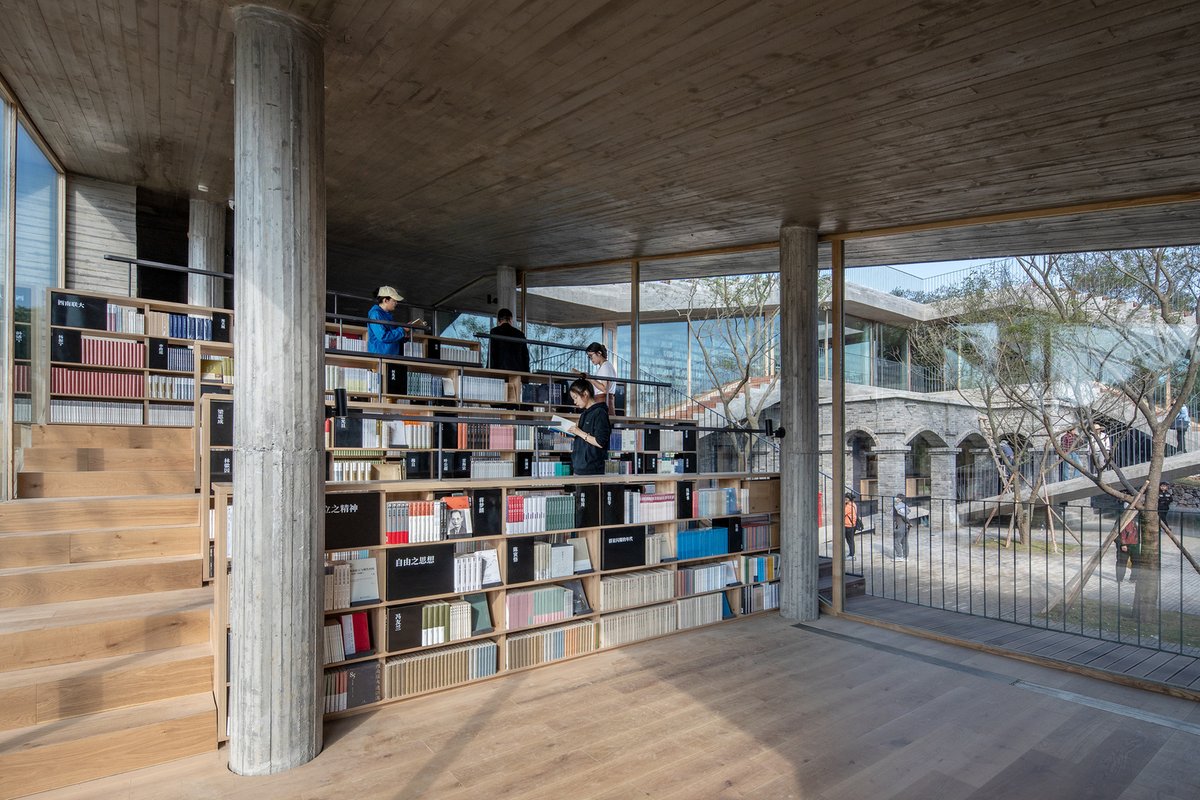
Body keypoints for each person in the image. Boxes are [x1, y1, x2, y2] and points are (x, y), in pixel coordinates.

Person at [565, 378, 611, 476]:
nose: (574, 402)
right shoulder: (584, 414)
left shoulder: (600, 413)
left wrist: (579, 432)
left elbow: (600, 442)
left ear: (585, 393)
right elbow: (584, 439)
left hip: (592, 470)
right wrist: (572, 434)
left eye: (575, 397)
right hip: (578, 468)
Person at [576, 342, 617, 415]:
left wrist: (590, 378)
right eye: (589, 357)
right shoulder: (604, 366)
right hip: (602, 402)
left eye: (591, 355)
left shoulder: (605, 366)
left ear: (599, 353)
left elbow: (605, 389)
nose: (591, 359)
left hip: (603, 402)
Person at [487, 307, 530, 373]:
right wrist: (527, 372)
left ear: (498, 321)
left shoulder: (494, 332)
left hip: (500, 370)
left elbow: (492, 353)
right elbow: (525, 356)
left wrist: (489, 370)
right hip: (518, 371)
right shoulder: (520, 334)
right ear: (511, 319)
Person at [367, 286, 407, 356]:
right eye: (394, 300)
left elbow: (393, 337)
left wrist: (405, 334)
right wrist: (402, 330)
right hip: (381, 356)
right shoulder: (375, 314)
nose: (396, 303)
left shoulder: (387, 316)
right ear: (385, 300)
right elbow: (383, 337)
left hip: (391, 355)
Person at [1116, 505, 1138, 583]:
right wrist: (1122, 544)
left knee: (1136, 562)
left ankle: (1133, 578)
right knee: (1121, 563)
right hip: (1125, 545)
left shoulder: (1136, 519)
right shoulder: (1121, 519)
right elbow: (1116, 534)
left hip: (1135, 544)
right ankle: (1119, 579)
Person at [892, 493, 912, 560]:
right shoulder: (904, 506)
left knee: (896, 541)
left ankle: (899, 556)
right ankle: (905, 556)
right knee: (904, 541)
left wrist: (908, 522)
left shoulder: (899, 506)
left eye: (897, 497)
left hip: (900, 525)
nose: (895, 499)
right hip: (905, 526)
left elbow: (904, 516)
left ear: (900, 499)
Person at [843, 493, 858, 560]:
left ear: (849, 499)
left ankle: (852, 555)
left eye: (846, 498)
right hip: (853, 525)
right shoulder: (854, 504)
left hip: (848, 525)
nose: (844, 499)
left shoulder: (848, 506)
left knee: (850, 540)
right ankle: (852, 554)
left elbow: (842, 513)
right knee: (851, 540)